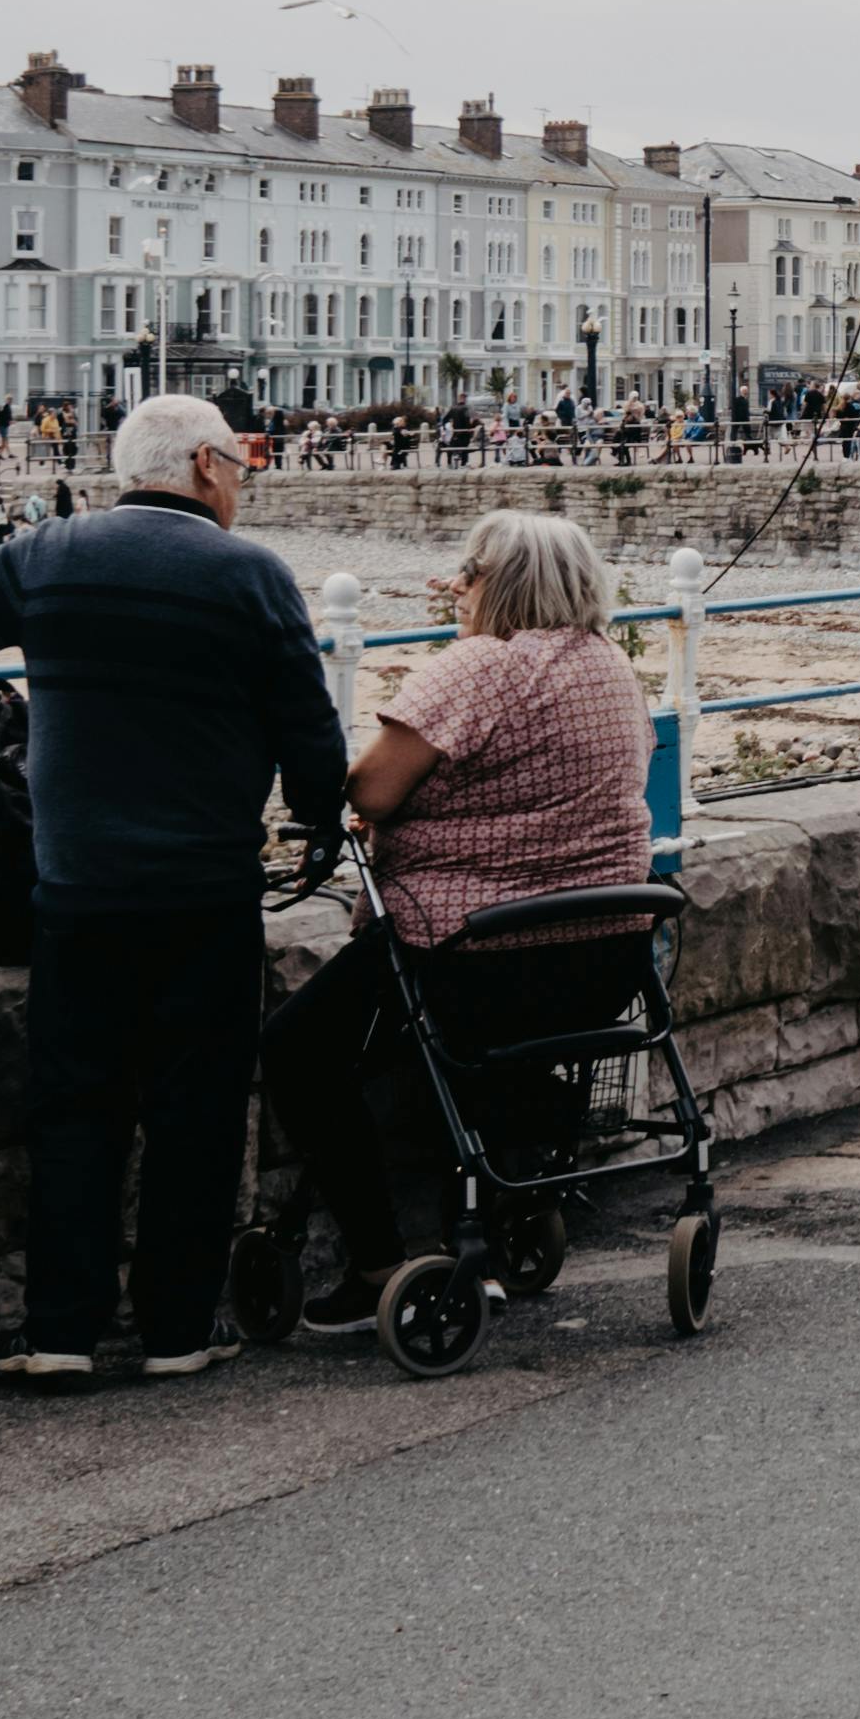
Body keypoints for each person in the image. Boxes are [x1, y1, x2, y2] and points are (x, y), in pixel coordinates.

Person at [0, 390, 347, 1381]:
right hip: (205, 889)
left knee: (74, 1105)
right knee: (197, 1108)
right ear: (208, 468)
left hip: (79, 886)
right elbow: (309, 729)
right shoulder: (253, 576)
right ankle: (177, 1332)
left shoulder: (53, 554)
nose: (243, 489)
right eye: (240, 470)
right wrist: (319, 817)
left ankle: (62, 1333)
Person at [260, 508, 656, 1335]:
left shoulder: (477, 667)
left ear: (501, 585)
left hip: (476, 952)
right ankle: (489, 1217)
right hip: (601, 951)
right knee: (460, 1059)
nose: (456, 586)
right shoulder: (611, 667)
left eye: (469, 574)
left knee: (298, 1048)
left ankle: (375, 1262)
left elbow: (369, 790)